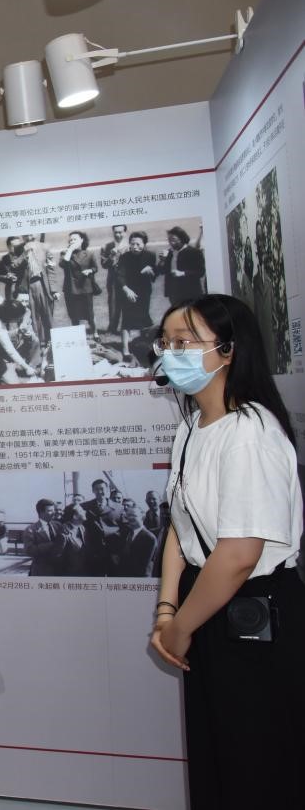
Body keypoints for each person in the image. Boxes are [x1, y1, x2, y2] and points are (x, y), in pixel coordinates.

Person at [149, 293, 303, 808]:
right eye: (166, 343)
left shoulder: (250, 434)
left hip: (253, 611)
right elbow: (181, 525)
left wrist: (180, 628)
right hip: (205, 603)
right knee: (216, 757)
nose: (171, 354)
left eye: (184, 342)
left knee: (255, 765)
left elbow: (239, 555)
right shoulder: (191, 427)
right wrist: (167, 608)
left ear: (229, 350)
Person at [116, 230, 157, 360]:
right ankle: (125, 350)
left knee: (144, 318)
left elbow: (154, 276)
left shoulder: (150, 256)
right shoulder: (125, 257)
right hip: (127, 291)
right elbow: (120, 275)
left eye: (138, 244)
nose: (135, 247)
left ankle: (144, 346)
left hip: (144, 292)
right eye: (132, 244)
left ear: (144, 244)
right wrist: (126, 290)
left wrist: (151, 270)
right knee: (127, 320)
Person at [158, 224, 206, 307]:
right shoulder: (169, 253)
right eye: (169, 240)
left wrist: (183, 273)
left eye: (173, 239)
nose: (170, 242)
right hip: (173, 293)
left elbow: (201, 272)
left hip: (190, 293)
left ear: (181, 239)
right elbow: (162, 271)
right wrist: (162, 260)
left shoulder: (194, 252)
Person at [59, 231, 98, 332]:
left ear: (81, 240)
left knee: (89, 313)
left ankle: (95, 333)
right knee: (74, 315)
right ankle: (77, 334)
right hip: (71, 288)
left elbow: (95, 268)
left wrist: (90, 270)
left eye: (75, 239)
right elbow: (63, 264)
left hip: (85, 287)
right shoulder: (65, 253)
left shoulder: (89, 253)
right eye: (70, 240)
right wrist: (70, 250)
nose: (72, 241)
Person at [24, 499, 67, 576]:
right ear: (41, 512)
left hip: (59, 569)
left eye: (54, 510)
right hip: (42, 571)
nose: (54, 512)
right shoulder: (31, 529)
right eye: (50, 511)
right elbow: (29, 550)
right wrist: (51, 544)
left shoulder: (58, 525)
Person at [101, 224, 128, 334]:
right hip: (113, 279)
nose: (118, 234)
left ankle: (127, 327)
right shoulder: (107, 246)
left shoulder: (131, 245)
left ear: (125, 232)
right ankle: (112, 328)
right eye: (116, 232)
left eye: (120, 232)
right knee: (113, 303)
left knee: (128, 302)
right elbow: (103, 264)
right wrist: (111, 256)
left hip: (128, 279)